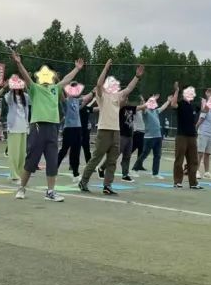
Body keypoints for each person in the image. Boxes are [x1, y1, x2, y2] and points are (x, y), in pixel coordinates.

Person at [11, 51, 85, 202]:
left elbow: (66, 79)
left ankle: (50, 192)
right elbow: (25, 76)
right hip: (38, 127)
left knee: (52, 161)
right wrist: (18, 63)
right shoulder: (34, 88)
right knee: (31, 160)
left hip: (53, 128)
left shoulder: (55, 88)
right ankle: (22, 188)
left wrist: (77, 69)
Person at [78, 59, 142, 195]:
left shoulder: (117, 96)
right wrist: (106, 68)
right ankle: (83, 181)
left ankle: (107, 186)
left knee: (112, 160)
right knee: (96, 158)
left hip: (116, 131)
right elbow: (98, 84)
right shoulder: (101, 96)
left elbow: (128, 89)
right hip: (104, 131)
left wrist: (137, 76)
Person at [169, 83, 204, 189]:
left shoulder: (193, 106)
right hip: (182, 136)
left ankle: (193, 183)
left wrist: (206, 99)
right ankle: (177, 182)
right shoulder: (180, 104)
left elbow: (205, 110)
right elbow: (173, 104)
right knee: (179, 159)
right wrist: (176, 91)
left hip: (192, 136)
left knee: (193, 160)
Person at [56, 82, 89, 178]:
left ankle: (75, 171)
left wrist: (93, 92)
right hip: (69, 128)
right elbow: (61, 95)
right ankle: (55, 167)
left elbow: (86, 98)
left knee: (76, 150)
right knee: (64, 150)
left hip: (78, 128)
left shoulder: (77, 100)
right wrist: (60, 84)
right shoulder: (65, 101)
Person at [133, 94, 169, 178]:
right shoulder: (146, 112)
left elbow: (163, 107)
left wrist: (168, 101)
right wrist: (144, 100)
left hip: (158, 137)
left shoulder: (156, 111)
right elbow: (143, 107)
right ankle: (134, 169)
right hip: (149, 137)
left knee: (157, 155)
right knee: (144, 154)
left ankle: (155, 173)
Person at [4, 75, 31, 181]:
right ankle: (13, 174)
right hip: (13, 127)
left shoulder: (26, 97)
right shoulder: (9, 96)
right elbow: (8, 99)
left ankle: (20, 173)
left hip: (23, 126)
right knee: (13, 152)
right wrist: (10, 88)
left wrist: (26, 85)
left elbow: (31, 100)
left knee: (21, 153)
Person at [196, 91, 211, 180]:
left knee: (207, 154)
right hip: (203, 133)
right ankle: (196, 171)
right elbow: (200, 120)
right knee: (200, 153)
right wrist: (195, 129)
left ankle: (206, 172)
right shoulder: (206, 109)